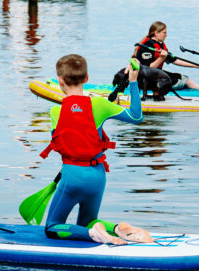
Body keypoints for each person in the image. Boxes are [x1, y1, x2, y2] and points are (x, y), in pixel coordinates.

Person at [40, 54, 153, 245]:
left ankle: (93, 234)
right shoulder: (100, 104)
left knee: (52, 226)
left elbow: (62, 143)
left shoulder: (55, 112)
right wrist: (133, 81)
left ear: (60, 80)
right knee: (88, 221)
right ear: (86, 78)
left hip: (72, 175)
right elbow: (136, 116)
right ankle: (117, 228)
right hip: (98, 175)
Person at [132, 20, 199, 91]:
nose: (166, 35)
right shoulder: (145, 47)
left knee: (184, 78)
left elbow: (176, 60)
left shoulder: (160, 45)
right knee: (179, 82)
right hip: (145, 79)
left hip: (156, 75)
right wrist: (161, 58)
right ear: (156, 33)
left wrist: (197, 66)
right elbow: (149, 68)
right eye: (164, 33)